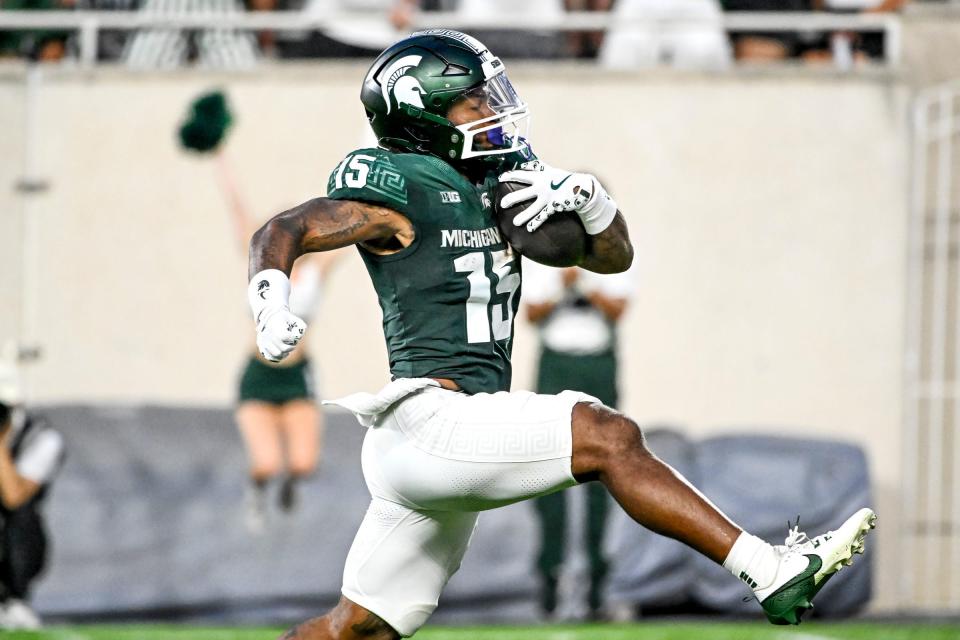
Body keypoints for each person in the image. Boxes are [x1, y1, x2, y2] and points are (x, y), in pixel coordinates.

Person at [245, 29, 876, 639]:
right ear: (425, 114)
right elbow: (284, 229)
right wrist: (271, 300)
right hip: (430, 423)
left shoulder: (494, 181)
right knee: (607, 434)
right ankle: (771, 571)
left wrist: (595, 201)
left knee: (354, 630)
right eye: (475, 101)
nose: (493, 110)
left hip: (450, 435)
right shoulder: (398, 183)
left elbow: (610, 258)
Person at [214, 153, 342, 532]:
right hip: (259, 373)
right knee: (266, 462)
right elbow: (238, 212)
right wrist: (221, 157)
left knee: (303, 463)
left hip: (297, 373)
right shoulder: (259, 264)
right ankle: (256, 489)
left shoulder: (315, 270)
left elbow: (351, 232)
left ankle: (290, 485)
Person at [523, 260, 634, 619]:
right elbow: (531, 313)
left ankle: (598, 589)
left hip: (598, 365)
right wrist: (561, 285)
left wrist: (584, 284)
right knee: (548, 475)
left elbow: (618, 309)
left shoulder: (613, 256)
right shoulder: (541, 258)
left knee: (604, 475)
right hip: (555, 365)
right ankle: (549, 580)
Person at [0, 357, 64, 630]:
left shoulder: (42, 438)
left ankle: (13, 599)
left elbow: (14, 496)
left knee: (21, 515)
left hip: (17, 537)